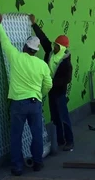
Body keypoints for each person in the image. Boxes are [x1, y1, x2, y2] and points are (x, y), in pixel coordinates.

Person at [0, 13, 53, 176]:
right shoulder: (42, 65)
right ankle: (38, 163)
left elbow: (5, 42)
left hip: (18, 104)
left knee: (16, 136)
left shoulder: (16, 57)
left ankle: (17, 167)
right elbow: (49, 84)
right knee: (36, 135)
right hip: (35, 103)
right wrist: (40, 94)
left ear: (25, 47)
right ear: (35, 50)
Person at [29, 14, 74, 151]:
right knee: (55, 117)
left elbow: (67, 79)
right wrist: (34, 24)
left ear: (62, 48)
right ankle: (60, 142)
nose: (54, 46)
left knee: (64, 117)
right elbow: (43, 39)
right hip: (51, 91)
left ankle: (70, 141)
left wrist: (51, 83)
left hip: (59, 92)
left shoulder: (66, 62)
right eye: (54, 44)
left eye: (57, 45)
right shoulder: (50, 52)